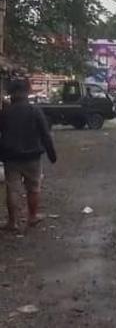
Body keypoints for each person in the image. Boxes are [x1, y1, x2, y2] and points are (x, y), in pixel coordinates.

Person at [0, 78, 57, 232]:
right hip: (32, 157)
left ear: (11, 93)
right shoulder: (35, 111)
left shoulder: (5, 113)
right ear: (27, 92)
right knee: (33, 188)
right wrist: (52, 155)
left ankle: (13, 222)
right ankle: (32, 217)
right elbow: (45, 134)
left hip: (10, 157)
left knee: (12, 189)